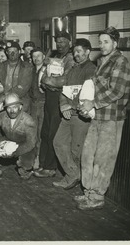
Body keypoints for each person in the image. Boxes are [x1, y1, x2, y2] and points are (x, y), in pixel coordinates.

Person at [76, 27, 130, 210]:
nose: (102, 45)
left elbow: (117, 91)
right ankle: (88, 191)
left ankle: (97, 195)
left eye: (106, 41)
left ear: (115, 43)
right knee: (87, 155)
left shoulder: (121, 61)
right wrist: (86, 105)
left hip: (111, 118)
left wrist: (93, 103)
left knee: (103, 159)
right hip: (98, 116)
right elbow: (94, 87)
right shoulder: (102, 61)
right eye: (100, 42)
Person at [52, 39, 96, 190]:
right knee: (58, 142)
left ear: (88, 51)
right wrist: (63, 104)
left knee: (76, 150)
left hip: (81, 116)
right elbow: (64, 90)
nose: (76, 54)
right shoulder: (72, 69)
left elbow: (88, 95)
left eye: (79, 51)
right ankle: (73, 174)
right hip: (68, 114)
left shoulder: (91, 70)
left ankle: (78, 181)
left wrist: (74, 105)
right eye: (74, 52)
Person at [34, 31, 75, 178]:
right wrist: (48, 81)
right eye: (58, 41)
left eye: (63, 41)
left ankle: (51, 167)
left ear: (70, 42)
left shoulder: (70, 59)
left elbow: (63, 81)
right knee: (45, 132)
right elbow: (43, 79)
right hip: (50, 99)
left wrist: (47, 81)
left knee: (53, 133)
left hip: (61, 98)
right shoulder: (56, 57)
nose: (60, 44)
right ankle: (44, 164)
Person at [0, 93, 36, 180]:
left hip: (23, 144)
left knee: (27, 159)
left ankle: (26, 169)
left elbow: (30, 143)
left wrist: (14, 152)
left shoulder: (28, 121)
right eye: (9, 108)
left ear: (20, 107)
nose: (12, 111)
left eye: (15, 107)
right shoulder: (3, 116)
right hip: (8, 140)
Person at [0, 40, 33, 113]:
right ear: (6, 53)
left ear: (19, 52)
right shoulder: (0, 66)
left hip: (20, 104)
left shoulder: (27, 67)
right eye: (9, 51)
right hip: (3, 106)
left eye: (15, 51)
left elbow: (22, 89)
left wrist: (2, 98)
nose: (12, 53)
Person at [28, 47, 46, 169]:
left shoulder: (47, 69)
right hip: (32, 104)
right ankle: (31, 158)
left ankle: (39, 159)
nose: (36, 58)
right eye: (34, 56)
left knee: (41, 133)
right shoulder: (31, 70)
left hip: (43, 104)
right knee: (32, 132)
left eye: (38, 56)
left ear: (43, 57)